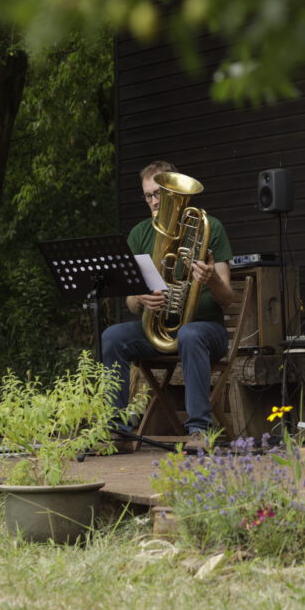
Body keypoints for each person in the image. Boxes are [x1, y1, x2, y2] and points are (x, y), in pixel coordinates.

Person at [101, 160, 235, 438]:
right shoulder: (140, 233)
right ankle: (117, 430)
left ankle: (199, 429)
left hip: (206, 331)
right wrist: (140, 298)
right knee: (112, 337)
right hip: (158, 331)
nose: (153, 201)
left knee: (189, 333)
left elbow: (227, 299)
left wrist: (212, 279)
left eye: (158, 194)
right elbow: (130, 303)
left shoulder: (209, 227)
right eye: (147, 195)